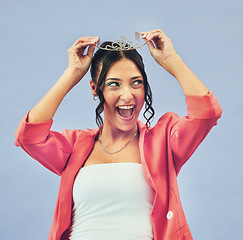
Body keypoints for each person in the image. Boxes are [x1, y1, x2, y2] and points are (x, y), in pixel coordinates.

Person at [15, 29, 222, 240]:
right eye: (114, 84)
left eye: (136, 83)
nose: (127, 94)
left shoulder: (164, 142)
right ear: (96, 89)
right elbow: (29, 137)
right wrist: (73, 73)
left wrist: (172, 60)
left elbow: (206, 113)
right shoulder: (75, 146)